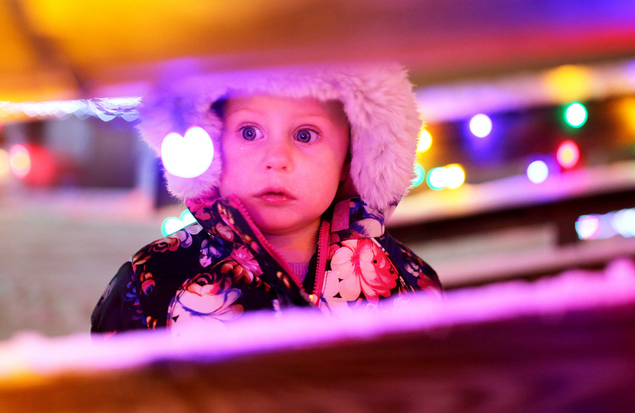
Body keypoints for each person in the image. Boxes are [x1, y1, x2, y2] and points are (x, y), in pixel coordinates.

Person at [91, 64, 442, 336]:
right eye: (249, 132)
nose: (276, 158)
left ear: (351, 159)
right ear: (211, 144)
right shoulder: (152, 282)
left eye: (305, 135)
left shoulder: (407, 282)